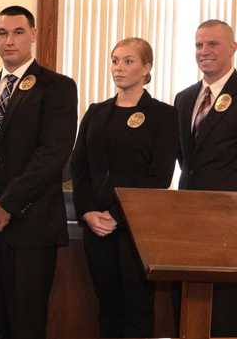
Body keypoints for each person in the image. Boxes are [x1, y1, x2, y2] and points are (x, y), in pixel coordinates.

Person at [0, 5, 78, 339]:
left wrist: (8, 205)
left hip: (31, 227)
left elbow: (53, 154)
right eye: (2, 33)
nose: (9, 41)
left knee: (25, 323)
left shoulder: (57, 86)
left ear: (33, 35)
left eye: (18, 32)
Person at [71, 38, 178, 337]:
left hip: (136, 228)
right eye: (115, 60)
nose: (119, 67)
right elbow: (79, 168)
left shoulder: (164, 115)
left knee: (137, 306)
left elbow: (159, 176)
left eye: (128, 61)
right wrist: (89, 211)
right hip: (96, 226)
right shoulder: (96, 111)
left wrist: (118, 215)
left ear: (146, 68)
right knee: (107, 305)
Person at [174, 19, 237, 337]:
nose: (204, 51)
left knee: (226, 309)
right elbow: (187, 161)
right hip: (189, 216)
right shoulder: (184, 99)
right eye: (199, 45)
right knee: (191, 304)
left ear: (233, 48)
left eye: (213, 44)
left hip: (230, 218)